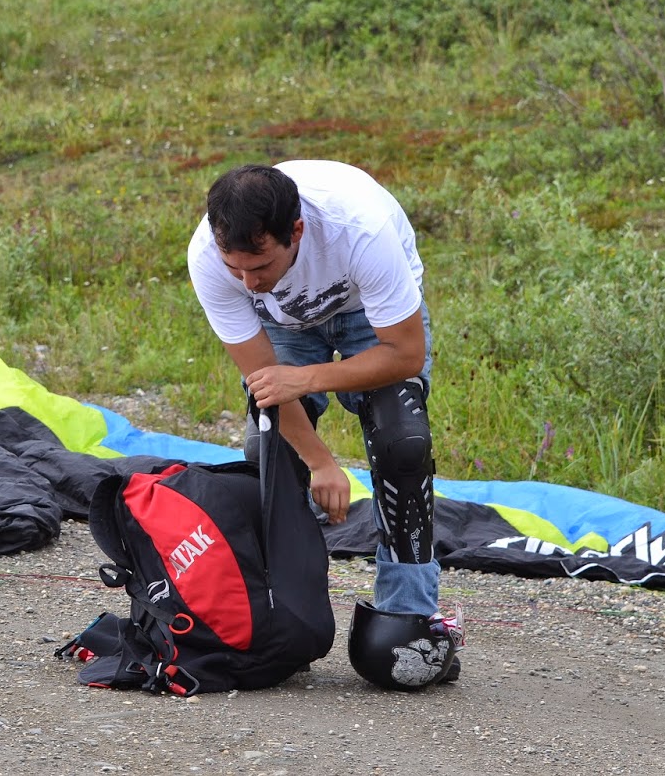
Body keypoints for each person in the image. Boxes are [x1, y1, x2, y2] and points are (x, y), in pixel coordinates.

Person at [187, 161, 461, 687]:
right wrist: (321, 462)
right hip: (283, 326)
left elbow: (403, 354)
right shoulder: (207, 259)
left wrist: (307, 378)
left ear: (296, 231)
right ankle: (285, 616)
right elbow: (266, 384)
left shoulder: (361, 232)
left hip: (370, 316)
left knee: (403, 444)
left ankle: (410, 619)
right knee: (268, 450)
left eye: (260, 266)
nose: (249, 282)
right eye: (234, 268)